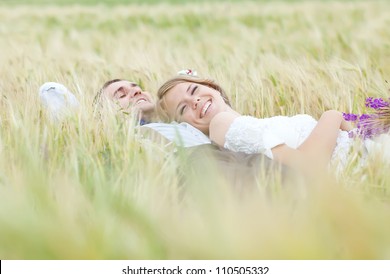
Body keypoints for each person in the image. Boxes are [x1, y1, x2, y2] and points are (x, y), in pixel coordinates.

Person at [38, 78, 285, 192]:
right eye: (121, 95)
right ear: (103, 115)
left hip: (229, 156)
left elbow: (222, 109)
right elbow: (51, 94)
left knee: (286, 180)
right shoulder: (115, 141)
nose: (134, 92)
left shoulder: (185, 118)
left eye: (136, 87)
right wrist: (92, 123)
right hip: (187, 169)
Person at [156, 74, 389, 174]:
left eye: (194, 90)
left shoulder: (247, 124)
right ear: (186, 127)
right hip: (365, 165)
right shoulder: (220, 124)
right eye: (183, 108)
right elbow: (305, 166)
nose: (194, 101)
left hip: (369, 154)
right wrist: (332, 115)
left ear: (212, 86)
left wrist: (362, 132)